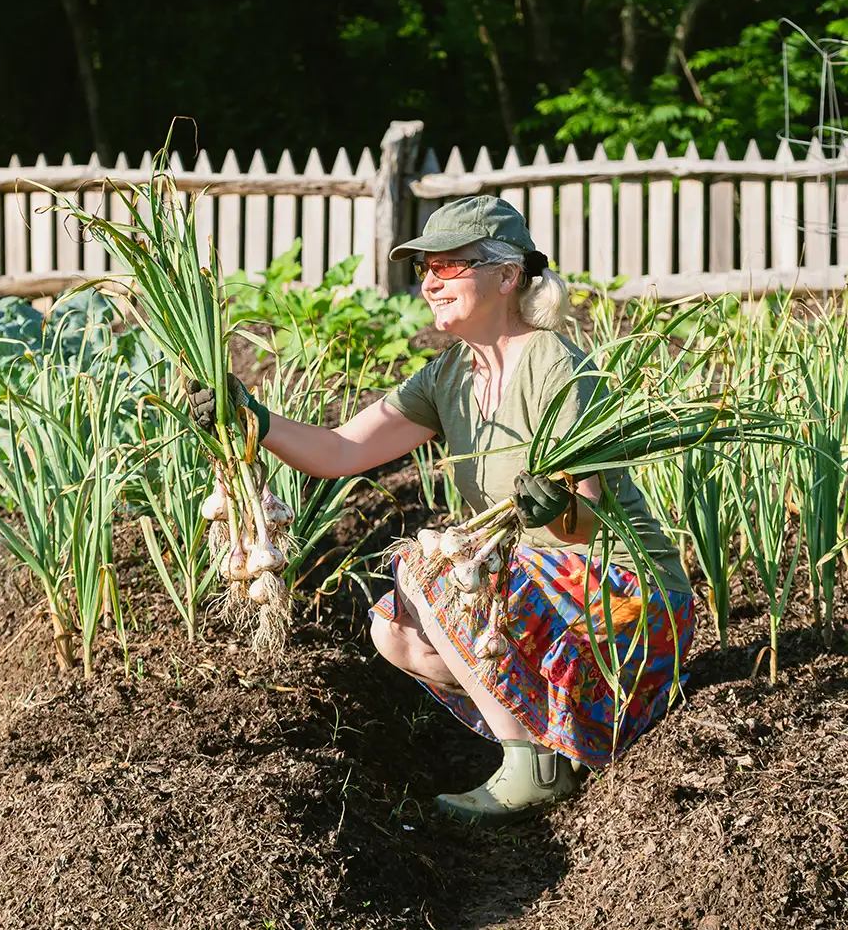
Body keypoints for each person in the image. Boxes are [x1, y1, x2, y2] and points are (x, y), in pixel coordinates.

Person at [190, 195, 695, 822]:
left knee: (430, 573)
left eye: (450, 265)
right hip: (545, 590)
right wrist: (254, 419)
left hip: (625, 596)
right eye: (425, 268)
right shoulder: (447, 375)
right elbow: (342, 448)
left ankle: (530, 767)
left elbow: (584, 521)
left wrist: (551, 505)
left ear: (507, 274)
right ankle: (554, 743)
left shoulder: (554, 363)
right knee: (394, 630)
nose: (432, 281)